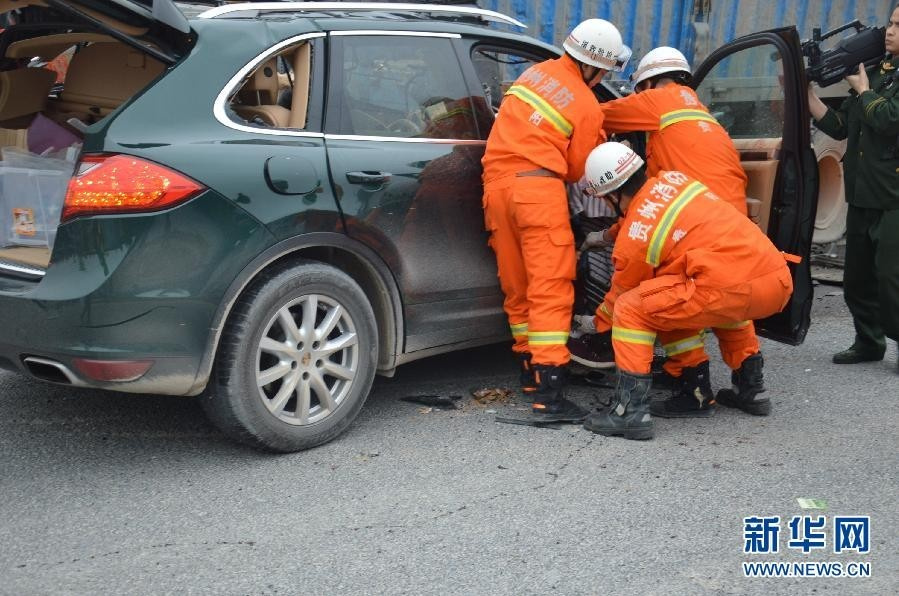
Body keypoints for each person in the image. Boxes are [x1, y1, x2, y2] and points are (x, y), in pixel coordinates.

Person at [595, 46, 771, 415]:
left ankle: (691, 383)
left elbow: (596, 114)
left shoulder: (660, 99)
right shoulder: (702, 113)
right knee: (730, 301)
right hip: (727, 218)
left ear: (647, 83)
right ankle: (751, 386)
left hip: (692, 221)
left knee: (671, 293)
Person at [579, 142, 794, 440]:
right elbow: (649, 215)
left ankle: (630, 413)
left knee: (634, 306)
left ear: (612, 195)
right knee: (697, 296)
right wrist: (605, 235)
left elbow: (620, 295)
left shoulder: (634, 242)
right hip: (774, 280)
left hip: (727, 287)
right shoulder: (673, 180)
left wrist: (593, 323)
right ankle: (751, 390)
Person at [481, 18, 628, 421]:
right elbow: (581, 169)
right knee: (549, 289)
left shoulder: (532, 75)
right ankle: (551, 394)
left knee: (518, 288)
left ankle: (531, 371)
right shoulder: (584, 103)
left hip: (496, 190)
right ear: (594, 67)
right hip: (536, 193)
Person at [808, 4, 899, 372]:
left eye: (898, 26)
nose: (889, 31)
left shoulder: (870, 82)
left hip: (894, 197)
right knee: (857, 279)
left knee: (892, 280)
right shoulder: (879, 73)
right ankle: (868, 341)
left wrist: (862, 91)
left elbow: (889, 119)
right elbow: (843, 125)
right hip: (863, 193)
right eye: (891, 23)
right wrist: (807, 95)